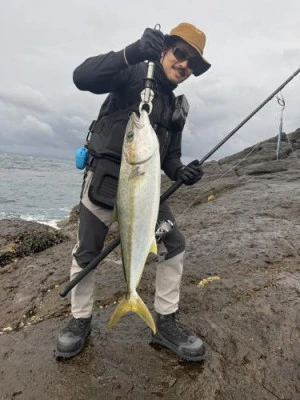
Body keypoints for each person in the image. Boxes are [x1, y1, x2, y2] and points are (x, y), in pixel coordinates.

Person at [56, 22, 211, 362]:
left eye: (193, 64)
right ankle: (79, 320)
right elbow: (82, 77)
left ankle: (166, 323)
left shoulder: (176, 109)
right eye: (180, 53)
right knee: (87, 252)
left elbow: (169, 156)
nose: (184, 65)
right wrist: (131, 52)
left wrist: (180, 171)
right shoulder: (132, 74)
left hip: (144, 194)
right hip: (103, 183)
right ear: (164, 49)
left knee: (174, 244)